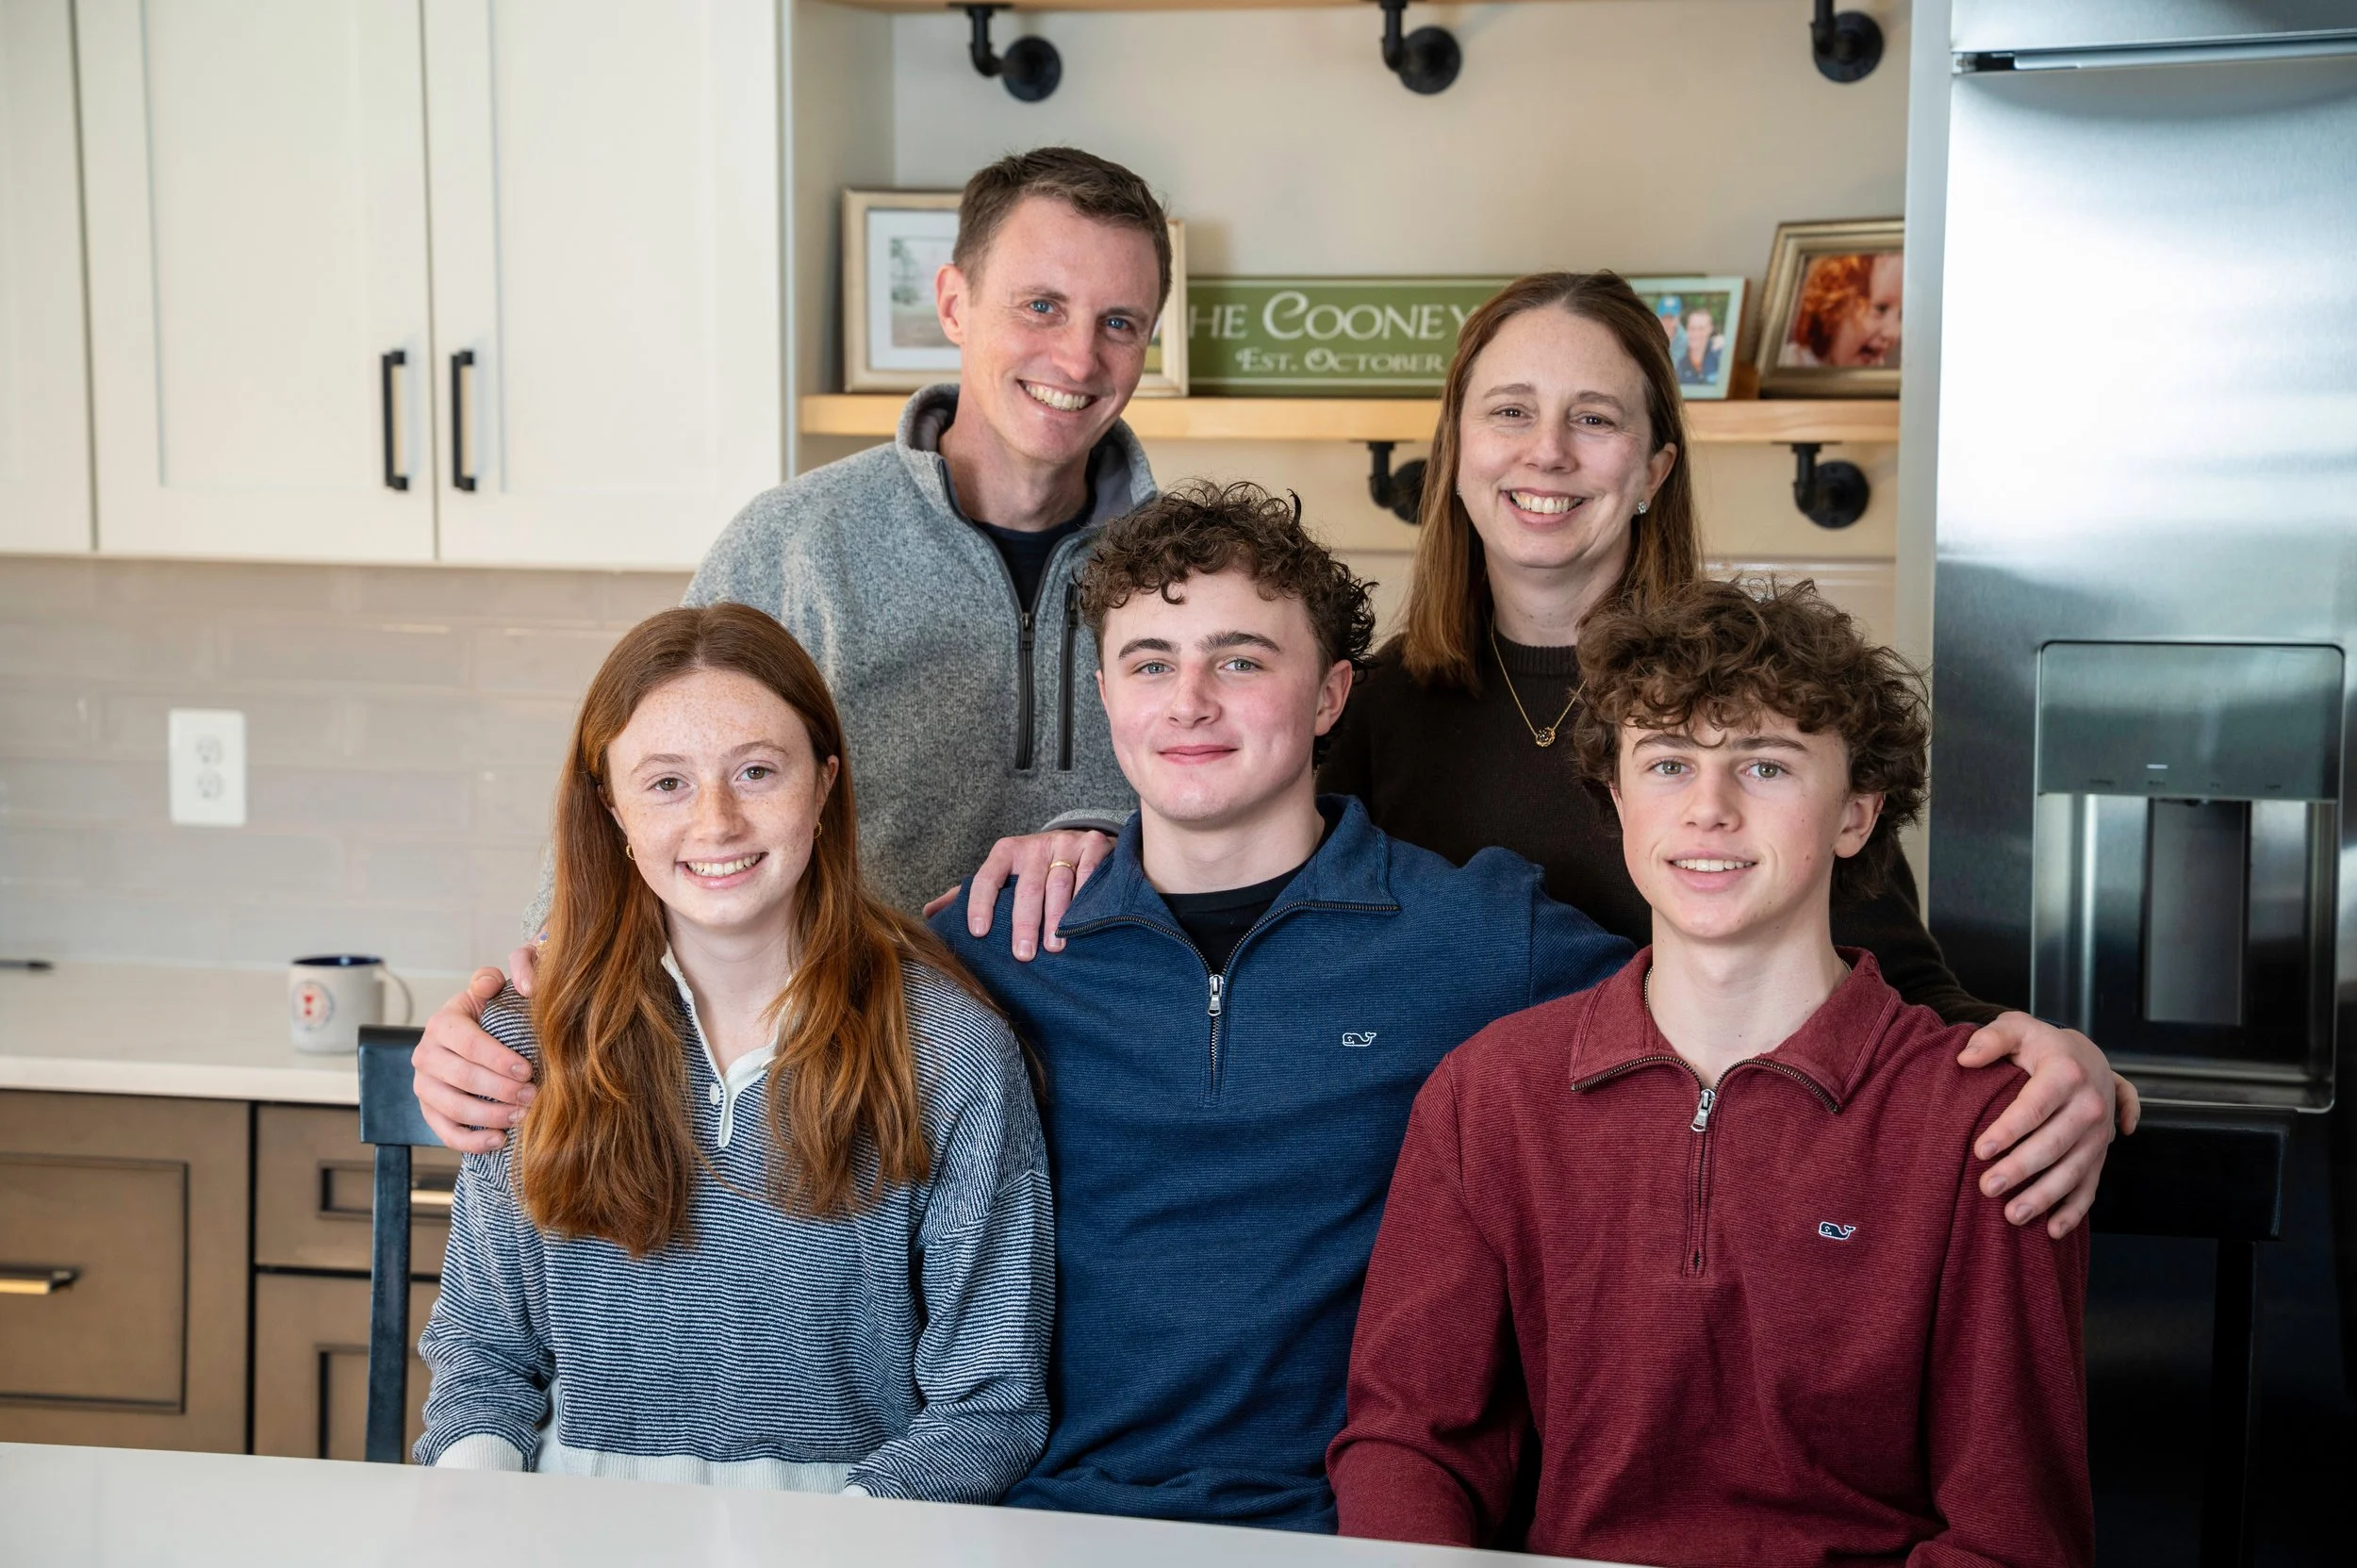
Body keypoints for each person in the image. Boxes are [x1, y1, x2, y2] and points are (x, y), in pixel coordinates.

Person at [969, 271, 2130, 1237]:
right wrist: (1087, 847)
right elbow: (1229, 875)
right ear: (1458, 450)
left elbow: (1893, 984)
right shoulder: (1352, 712)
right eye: (1511, 412)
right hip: (1428, 1227)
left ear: (1653, 472)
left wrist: (2042, 1051)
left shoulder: (1752, 711)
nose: (1549, 454)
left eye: (1596, 418)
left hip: (1711, 1203)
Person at [412, 146, 1170, 1153]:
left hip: (1112, 1115)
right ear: (953, 303)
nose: (1078, 359)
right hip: (842, 1118)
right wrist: (506, 1012)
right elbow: (645, 794)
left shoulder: (1184, 572)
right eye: (1040, 306)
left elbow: (1257, 832)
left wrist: (1112, 837)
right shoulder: (795, 543)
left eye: (1118, 323)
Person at [1329, 580, 2091, 1567]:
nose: (1708, 809)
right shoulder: (1489, 1096)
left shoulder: (1984, 1122)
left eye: (1765, 765)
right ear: (1617, 801)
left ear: (1857, 813)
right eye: (1667, 762)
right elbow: (1410, 1442)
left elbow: (2008, 1535)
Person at [936, 482, 1634, 1532]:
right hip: (1038, 1517)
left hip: (1351, 1523)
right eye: (1150, 664)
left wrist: (1973, 1054)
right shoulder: (1003, 939)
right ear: (1104, 696)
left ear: (1328, 696)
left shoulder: (1478, 931)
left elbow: (1741, 1010)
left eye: (1241, 660)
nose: (1189, 702)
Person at [415, 602, 1053, 1498]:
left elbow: (991, 1402)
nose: (716, 822)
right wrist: (484, 1518)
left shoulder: (950, 1050)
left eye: (756, 771)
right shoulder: (526, 1039)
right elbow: (481, 1364)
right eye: (667, 782)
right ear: (611, 805)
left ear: (825, 782)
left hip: (857, 1532)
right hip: (571, 1523)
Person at [1779, 251, 1904, 368]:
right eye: (1880, 308)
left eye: (1901, 316)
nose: (1894, 333)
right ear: (1835, 303)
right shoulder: (1789, 364)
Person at [1676, 303, 1721, 387]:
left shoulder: (1720, 355)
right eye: (1692, 328)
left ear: (1710, 329)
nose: (1695, 333)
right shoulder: (1680, 365)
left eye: (1701, 329)